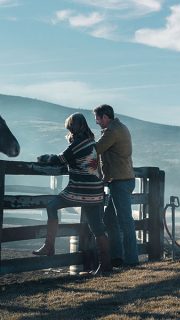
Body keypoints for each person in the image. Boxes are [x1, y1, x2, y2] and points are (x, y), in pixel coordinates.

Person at [33, 113, 112, 275]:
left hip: (81, 188)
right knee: (98, 228)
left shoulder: (79, 142)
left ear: (74, 127)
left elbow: (60, 159)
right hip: (96, 191)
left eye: (71, 127)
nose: (70, 130)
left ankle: (49, 246)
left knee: (52, 206)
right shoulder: (90, 141)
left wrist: (43, 157)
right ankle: (105, 266)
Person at [93, 104, 137, 267]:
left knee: (125, 220)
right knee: (110, 218)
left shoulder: (112, 131)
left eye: (97, 118)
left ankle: (131, 260)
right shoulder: (119, 127)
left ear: (105, 117)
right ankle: (117, 256)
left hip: (120, 181)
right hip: (120, 180)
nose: (97, 122)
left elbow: (97, 148)